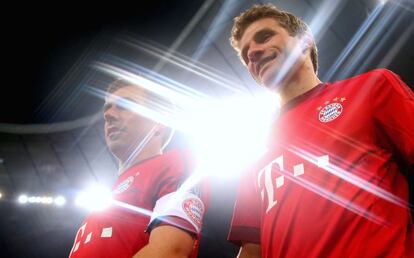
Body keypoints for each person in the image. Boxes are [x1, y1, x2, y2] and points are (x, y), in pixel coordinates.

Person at [227, 4, 414, 258]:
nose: (253, 53)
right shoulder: (254, 151)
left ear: (305, 42)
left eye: (265, 36)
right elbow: (252, 251)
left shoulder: (370, 89)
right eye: (246, 53)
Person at [69, 79, 207, 258]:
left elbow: (170, 251)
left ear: (159, 121)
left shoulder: (178, 162)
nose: (108, 115)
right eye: (107, 108)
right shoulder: (110, 194)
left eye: (124, 106)